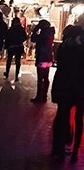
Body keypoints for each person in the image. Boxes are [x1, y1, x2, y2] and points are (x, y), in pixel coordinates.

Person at [52, 25, 84, 162]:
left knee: (62, 117)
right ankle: (75, 152)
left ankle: (59, 150)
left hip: (64, 86)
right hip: (80, 87)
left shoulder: (64, 46)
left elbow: (59, 65)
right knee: (79, 118)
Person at [30, 20, 55, 103]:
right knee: (46, 77)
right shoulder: (50, 33)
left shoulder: (43, 34)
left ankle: (39, 96)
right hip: (48, 57)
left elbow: (33, 39)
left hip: (42, 57)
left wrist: (35, 30)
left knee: (40, 77)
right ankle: (44, 95)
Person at [4, 16, 27, 81]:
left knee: (9, 60)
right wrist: (20, 40)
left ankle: (7, 73)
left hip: (11, 47)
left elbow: (7, 38)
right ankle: (16, 76)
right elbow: (25, 37)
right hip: (19, 46)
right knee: (17, 61)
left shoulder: (11, 29)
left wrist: (6, 46)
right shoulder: (21, 29)